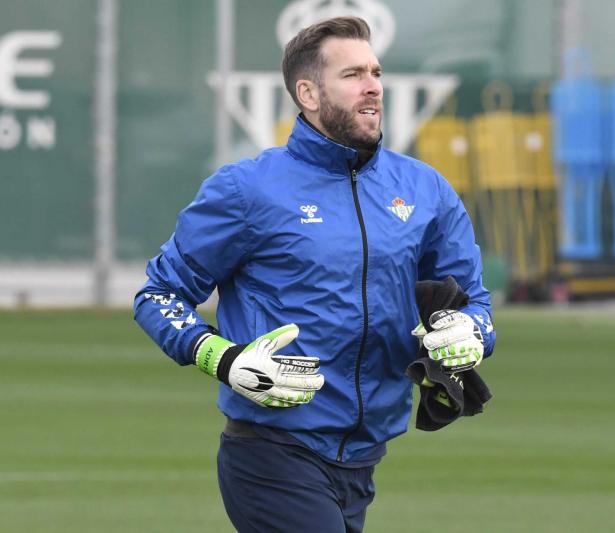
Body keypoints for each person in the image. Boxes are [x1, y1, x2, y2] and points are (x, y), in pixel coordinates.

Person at [134, 16, 496, 533]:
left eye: (375, 72)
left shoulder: (425, 189)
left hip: (363, 461)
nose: (373, 86)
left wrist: (471, 334)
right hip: (270, 456)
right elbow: (158, 294)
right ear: (307, 92)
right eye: (352, 75)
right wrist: (223, 358)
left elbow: (475, 304)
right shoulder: (246, 190)